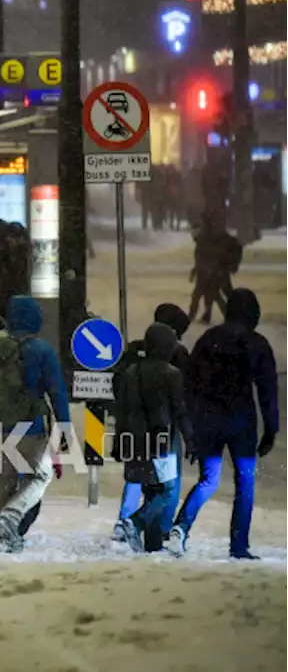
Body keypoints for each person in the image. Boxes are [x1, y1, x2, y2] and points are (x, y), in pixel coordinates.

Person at [171, 289, 278, 558]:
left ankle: (180, 528)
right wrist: (271, 429)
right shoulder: (258, 344)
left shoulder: (209, 340)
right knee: (245, 482)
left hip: (209, 420)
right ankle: (239, 545)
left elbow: (191, 384)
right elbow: (267, 392)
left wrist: (193, 426)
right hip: (242, 421)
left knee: (209, 480)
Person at [0, 295, 71, 552]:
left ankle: (2, 535)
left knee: (5, 482)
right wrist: (63, 427)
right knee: (39, 477)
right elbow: (57, 392)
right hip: (30, 426)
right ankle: (11, 518)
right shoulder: (41, 350)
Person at [112, 304, 190, 543]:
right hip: (162, 439)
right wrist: (192, 438)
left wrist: (118, 440)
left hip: (134, 437)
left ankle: (143, 534)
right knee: (166, 488)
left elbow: (120, 403)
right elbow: (180, 408)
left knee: (144, 485)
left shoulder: (132, 367)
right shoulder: (172, 370)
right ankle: (138, 524)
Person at [187, 214, 236, 324]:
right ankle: (208, 315)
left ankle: (194, 316)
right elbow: (201, 259)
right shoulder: (202, 241)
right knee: (212, 295)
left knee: (208, 295)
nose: (191, 233)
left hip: (210, 274)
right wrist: (195, 270)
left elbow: (208, 257)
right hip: (209, 273)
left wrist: (208, 271)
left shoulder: (204, 241)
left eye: (193, 231)